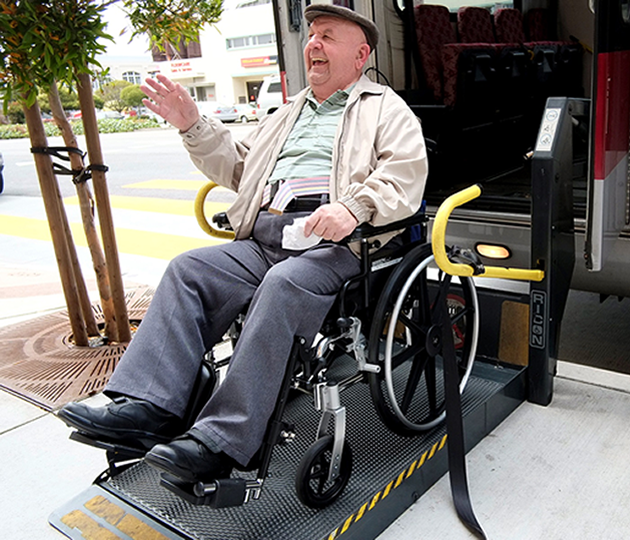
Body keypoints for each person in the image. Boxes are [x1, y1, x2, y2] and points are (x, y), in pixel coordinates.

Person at [58, 5, 428, 484]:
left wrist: (353, 207)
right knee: (188, 270)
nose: (313, 43)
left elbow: (404, 176)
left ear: (360, 55)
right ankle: (147, 406)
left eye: (327, 37)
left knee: (283, 283)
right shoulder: (286, 113)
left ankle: (224, 440)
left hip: (337, 243)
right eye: (311, 35)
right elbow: (239, 167)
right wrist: (192, 124)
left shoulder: (384, 108)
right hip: (268, 233)